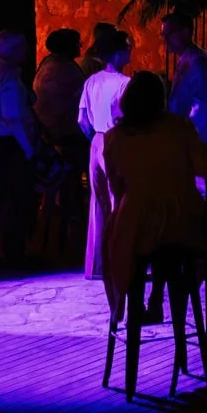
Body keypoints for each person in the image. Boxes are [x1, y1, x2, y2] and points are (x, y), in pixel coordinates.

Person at [96, 72, 207, 319]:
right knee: (170, 235)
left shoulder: (115, 137)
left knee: (133, 230)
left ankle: (129, 301)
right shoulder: (179, 128)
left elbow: (116, 187)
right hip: (181, 217)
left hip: (138, 221)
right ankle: (159, 295)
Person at [0, 31, 45, 268]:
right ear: (13, 51)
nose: (26, 51)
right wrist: (28, 149)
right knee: (17, 198)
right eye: (22, 47)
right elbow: (13, 119)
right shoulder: (10, 79)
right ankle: (14, 253)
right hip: (11, 143)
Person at [78, 28, 134, 278]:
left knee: (97, 204)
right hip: (115, 141)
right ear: (117, 53)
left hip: (96, 142)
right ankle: (118, 262)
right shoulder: (125, 84)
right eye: (127, 47)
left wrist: (95, 139)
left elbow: (81, 119)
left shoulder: (91, 81)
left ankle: (97, 265)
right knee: (118, 203)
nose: (130, 50)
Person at [161, 13, 207, 153]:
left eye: (170, 34)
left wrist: (182, 136)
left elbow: (201, 107)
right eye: (163, 35)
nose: (165, 39)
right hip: (190, 141)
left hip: (202, 144)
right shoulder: (185, 59)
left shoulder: (200, 63)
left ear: (185, 32)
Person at [33, 29, 87, 148]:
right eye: (77, 43)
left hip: (47, 129)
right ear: (68, 46)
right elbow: (83, 96)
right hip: (61, 132)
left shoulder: (48, 62)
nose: (80, 45)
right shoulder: (64, 68)